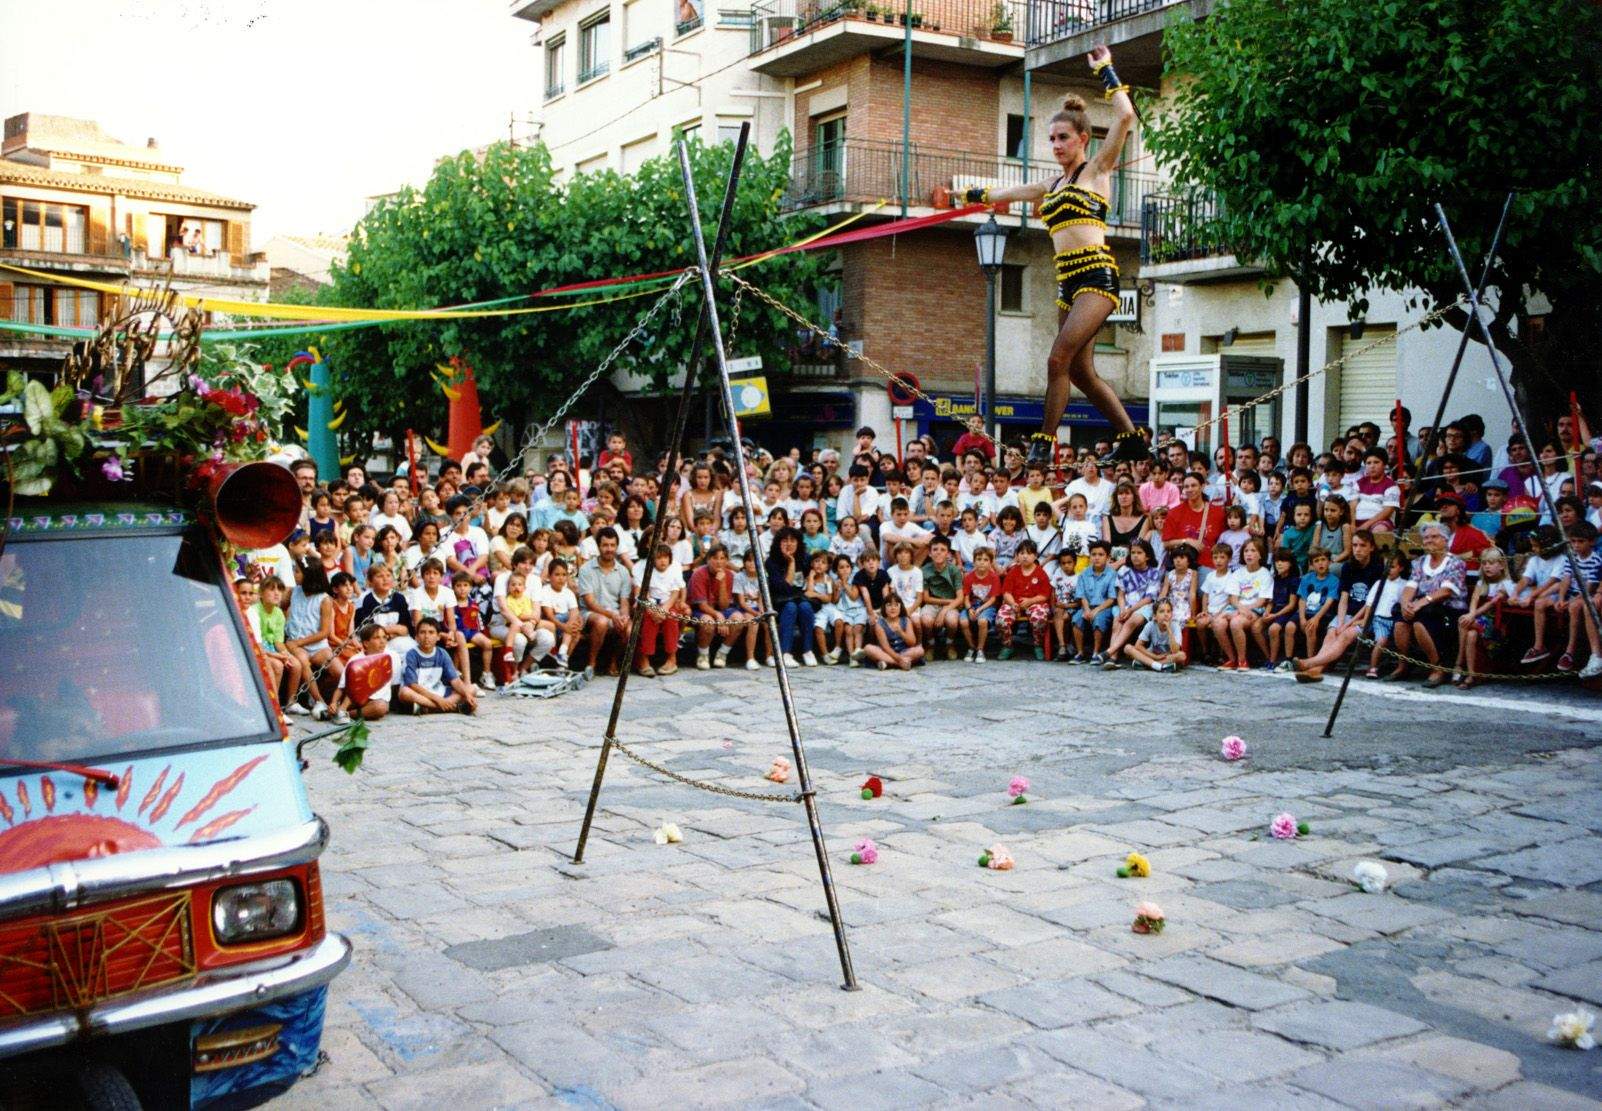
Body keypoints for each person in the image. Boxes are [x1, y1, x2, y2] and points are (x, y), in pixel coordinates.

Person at [964, 50, 1146, 468]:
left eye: (1063, 137)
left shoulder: (1097, 170)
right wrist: (972, 195)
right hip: (1068, 282)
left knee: (1056, 359)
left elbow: (1124, 117)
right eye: (1051, 139)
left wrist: (1105, 70)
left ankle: (1043, 442)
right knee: (1079, 371)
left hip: (1097, 277)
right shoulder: (1053, 184)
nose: (1056, 145)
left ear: (1083, 138)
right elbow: (1010, 192)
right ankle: (1131, 437)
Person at [1393, 521, 1468, 687]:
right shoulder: (1419, 562)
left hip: (1448, 609)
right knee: (1400, 622)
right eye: (1426, 538)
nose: (1429, 540)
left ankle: (1438, 668)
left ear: (1445, 540)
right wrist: (1406, 604)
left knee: (1420, 623)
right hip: (1424, 607)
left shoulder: (1455, 563)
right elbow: (1410, 586)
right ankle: (1403, 665)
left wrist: (1420, 603)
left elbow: (1446, 591)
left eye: (1434, 537)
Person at [1452, 547, 1518, 688]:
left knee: (1463, 621)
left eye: (1491, 563)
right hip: (1480, 620)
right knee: (1471, 634)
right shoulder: (1482, 582)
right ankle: (1471, 674)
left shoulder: (1506, 584)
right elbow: (1474, 599)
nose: (1487, 566)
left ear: (1501, 565)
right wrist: (1471, 613)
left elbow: (1491, 604)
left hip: (1496, 625)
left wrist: (1472, 615)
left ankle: (1459, 663)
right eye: (1484, 563)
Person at [577, 528, 633, 677]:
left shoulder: (623, 571)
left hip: (614, 612)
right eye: (605, 545)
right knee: (601, 621)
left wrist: (624, 616)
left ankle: (613, 662)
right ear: (598, 546)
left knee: (629, 628)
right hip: (590, 613)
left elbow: (624, 601)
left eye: (612, 545)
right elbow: (589, 602)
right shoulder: (586, 569)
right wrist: (612, 615)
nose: (609, 549)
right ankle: (592, 664)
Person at [689, 545, 754, 670]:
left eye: (722, 558)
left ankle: (722, 653)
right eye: (715, 558)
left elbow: (724, 606)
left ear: (727, 560)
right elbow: (702, 605)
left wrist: (722, 583)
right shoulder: (699, 574)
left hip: (722, 609)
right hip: (702, 609)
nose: (719, 562)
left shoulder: (729, 575)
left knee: (739, 619)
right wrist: (718, 616)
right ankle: (703, 654)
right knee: (708, 622)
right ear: (708, 559)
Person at [397, 617, 478, 714]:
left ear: (438, 637)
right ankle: (453, 708)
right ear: (416, 637)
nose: (427, 636)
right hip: (420, 693)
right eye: (422, 632)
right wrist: (438, 699)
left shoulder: (442, 653)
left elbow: (455, 680)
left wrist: (468, 695)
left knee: (472, 689)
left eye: (431, 632)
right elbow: (412, 685)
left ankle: (428, 708)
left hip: (438, 690)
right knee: (404, 692)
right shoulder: (411, 655)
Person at [633, 543, 687, 678]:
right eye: (659, 558)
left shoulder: (674, 569)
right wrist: (652, 608)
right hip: (650, 603)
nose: (663, 561)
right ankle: (644, 659)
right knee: (649, 620)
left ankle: (672, 658)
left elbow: (675, 592)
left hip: (667, 603)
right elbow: (642, 592)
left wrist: (664, 609)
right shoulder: (646, 570)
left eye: (665, 557)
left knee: (671, 618)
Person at [766, 526, 817, 667]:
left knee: (806, 607)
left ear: (798, 543)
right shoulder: (771, 561)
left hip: (800, 598)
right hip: (780, 600)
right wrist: (791, 562)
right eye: (785, 540)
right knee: (791, 607)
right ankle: (785, 653)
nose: (789, 544)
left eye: (793, 540)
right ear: (778, 543)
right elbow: (785, 588)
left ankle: (807, 650)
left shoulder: (805, 558)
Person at [997, 539, 1054, 660]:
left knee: (1039, 617)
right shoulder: (1013, 572)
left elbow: (1044, 595)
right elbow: (1006, 592)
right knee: (1001, 618)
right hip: (1014, 602)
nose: (1025, 556)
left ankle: (1038, 645)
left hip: (1035, 603)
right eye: (1021, 553)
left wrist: (1030, 601)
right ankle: (1007, 645)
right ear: (1017, 556)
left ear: (1035, 556)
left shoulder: (1041, 573)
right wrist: (1013, 604)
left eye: (1028, 553)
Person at [327, 623, 393, 724]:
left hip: (375, 702)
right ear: (366, 643)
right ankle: (341, 710)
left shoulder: (391, 657)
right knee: (357, 676)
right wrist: (333, 702)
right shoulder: (356, 660)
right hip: (355, 700)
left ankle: (345, 714)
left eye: (384, 637)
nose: (382, 641)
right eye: (377, 638)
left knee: (381, 707)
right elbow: (341, 687)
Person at [1070, 540, 1119, 664]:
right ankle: (1080, 653)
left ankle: (1096, 652)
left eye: (1101, 555)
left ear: (1108, 557)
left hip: (1104, 607)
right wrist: (1087, 610)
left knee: (1098, 620)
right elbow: (1081, 595)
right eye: (1093, 554)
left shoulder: (1112, 574)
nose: (1097, 558)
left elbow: (1111, 598)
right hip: (1087, 606)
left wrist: (1096, 610)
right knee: (1077, 619)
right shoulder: (1084, 573)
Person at [917, 536, 964, 659]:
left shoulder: (954, 570)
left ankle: (949, 644)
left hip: (951, 605)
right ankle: (931, 644)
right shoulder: (924, 570)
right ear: (930, 553)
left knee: (952, 621)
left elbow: (960, 598)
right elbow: (926, 598)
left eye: (943, 550)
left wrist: (944, 610)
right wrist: (947, 602)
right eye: (935, 549)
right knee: (926, 620)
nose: (938, 552)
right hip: (932, 603)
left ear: (948, 554)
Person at [961, 546, 1002, 662]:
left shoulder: (994, 577)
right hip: (972, 605)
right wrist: (969, 609)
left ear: (990, 562)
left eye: (985, 560)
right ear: (974, 561)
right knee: (963, 621)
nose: (982, 562)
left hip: (987, 606)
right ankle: (971, 647)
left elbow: (993, 599)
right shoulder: (969, 577)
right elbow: (966, 597)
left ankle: (980, 649)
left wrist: (980, 609)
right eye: (979, 559)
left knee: (982, 621)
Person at [863, 593, 923, 671]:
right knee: (868, 648)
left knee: (920, 650)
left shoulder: (906, 620)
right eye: (889, 605)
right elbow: (886, 647)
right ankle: (900, 664)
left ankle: (887, 663)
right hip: (887, 652)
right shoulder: (880, 624)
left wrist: (901, 633)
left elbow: (912, 643)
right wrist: (899, 660)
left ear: (900, 607)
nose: (893, 608)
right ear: (884, 608)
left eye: (896, 605)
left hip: (904, 651)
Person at [1126, 598, 1187, 672]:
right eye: (1162, 611)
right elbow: (1138, 645)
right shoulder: (1150, 625)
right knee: (1127, 648)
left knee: (1182, 656)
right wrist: (1155, 657)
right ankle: (1160, 666)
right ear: (1155, 616)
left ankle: (1147, 664)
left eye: (1168, 611)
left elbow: (1175, 651)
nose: (1166, 614)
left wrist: (1169, 629)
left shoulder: (1175, 626)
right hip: (1152, 655)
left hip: (1166, 657)